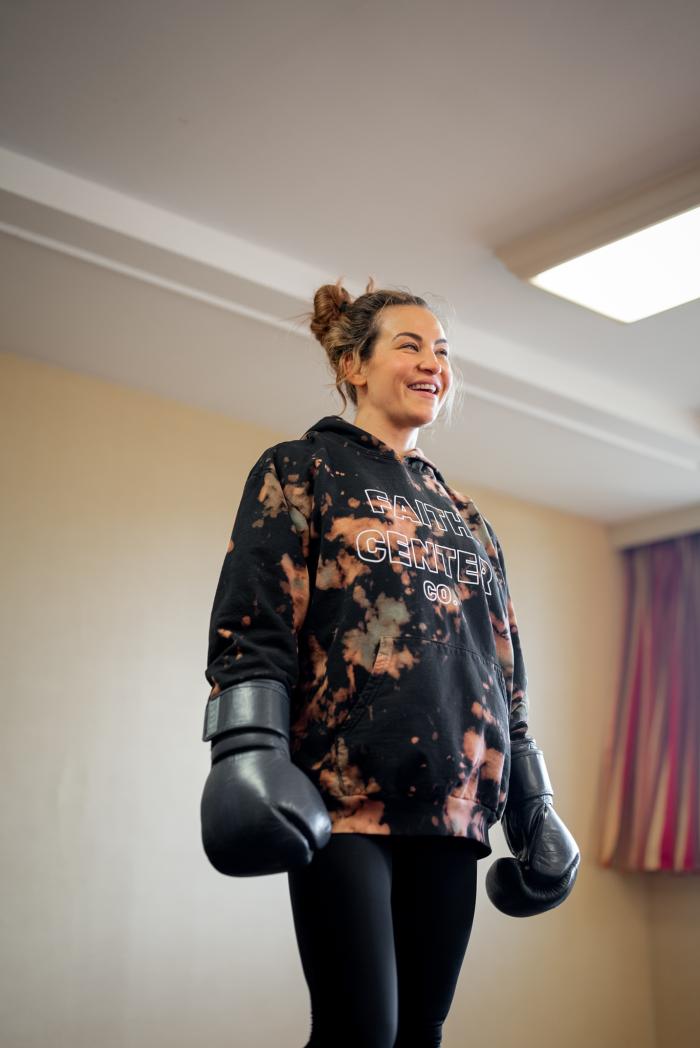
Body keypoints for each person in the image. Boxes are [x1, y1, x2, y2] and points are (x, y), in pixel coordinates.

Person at [200, 277, 580, 1048]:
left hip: (455, 802)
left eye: (442, 351)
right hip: (342, 798)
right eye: (410, 344)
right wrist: (246, 747)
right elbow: (255, 622)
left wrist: (531, 797)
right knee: (360, 1032)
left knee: (421, 1035)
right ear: (353, 365)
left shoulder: (467, 518)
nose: (434, 363)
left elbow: (501, 663)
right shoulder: (302, 468)